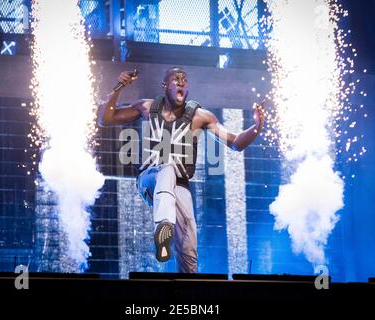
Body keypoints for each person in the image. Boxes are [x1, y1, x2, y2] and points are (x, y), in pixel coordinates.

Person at [99, 67, 265, 273]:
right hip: (150, 179)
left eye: (184, 80)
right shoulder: (147, 107)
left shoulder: (200, 117)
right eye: (176, 79)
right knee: (167, 168)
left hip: (179, 186)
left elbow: (236, 143)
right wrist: (119, 86)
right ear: (165, 86)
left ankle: (189, 286)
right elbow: (106, 118)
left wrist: (257, 126)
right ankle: (163, 228)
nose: (181, 82)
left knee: (188, 242)